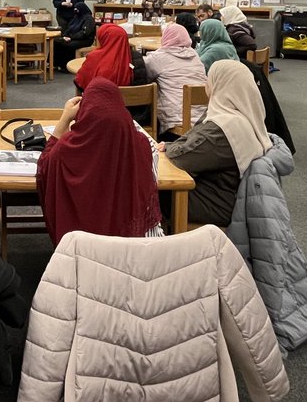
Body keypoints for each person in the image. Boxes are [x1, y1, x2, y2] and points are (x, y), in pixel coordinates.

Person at [36, 80, 163, 245]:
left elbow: (44, 166)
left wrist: (65, 119)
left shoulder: (67, 147)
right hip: (129, 248)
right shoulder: (141, 145)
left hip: (79, 248)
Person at [165, 60, 288, 227]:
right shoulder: (244, 115)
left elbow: (180, 158)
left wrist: (168, 147)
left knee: (153, 192)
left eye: (209, 79)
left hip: (220, 204)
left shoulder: (223, 129)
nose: (206, 83)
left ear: (219, 84)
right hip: (229, 195)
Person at [143, 22, 208, 140]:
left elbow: (144, 76)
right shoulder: (194, 55)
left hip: (175, 119)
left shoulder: (158, 58)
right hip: (204, 116)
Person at [74, 22, 147, 92]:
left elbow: (80, 84)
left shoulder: (93, 58)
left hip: (99, 103)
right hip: (129, 103)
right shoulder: (137, 58)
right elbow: (141, 87)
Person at [52, 1, 96, 72]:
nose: (75, 11)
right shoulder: (76, 17)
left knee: (69, 45)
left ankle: (67, 65)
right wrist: (65, 36)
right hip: (73, 37)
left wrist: (71, 38)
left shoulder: (89, 19)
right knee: (57, 41)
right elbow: (69, 28)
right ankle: (54, 63)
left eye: (77, 9)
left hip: (85, 40)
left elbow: (85, 33)